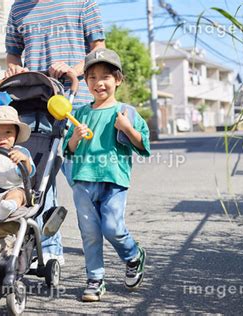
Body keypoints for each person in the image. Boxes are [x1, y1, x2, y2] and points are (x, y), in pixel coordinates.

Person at [4, 0, 106, 265]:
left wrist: (74, 70)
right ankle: (48, 250)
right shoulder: (18, 8)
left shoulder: (83, 2)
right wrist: (15, 67)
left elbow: (98, 49)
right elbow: (13, 53)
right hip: (36, 107)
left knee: (85, 186)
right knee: (40, 184)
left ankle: (103, 244)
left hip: (75, 106)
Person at [63, 48, 151, 302]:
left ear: (118, 79)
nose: (98, 83)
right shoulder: (78, 113)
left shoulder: (126, 112)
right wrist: (75, 139)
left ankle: (133, 255)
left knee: (112, 227)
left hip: (114, 180)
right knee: (89, 232)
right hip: (82, 181)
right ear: (86, 82)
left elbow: (143, 146)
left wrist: (127, 128)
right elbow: (67, 151)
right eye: (92, 77)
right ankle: (95, 279)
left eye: (105, 77)